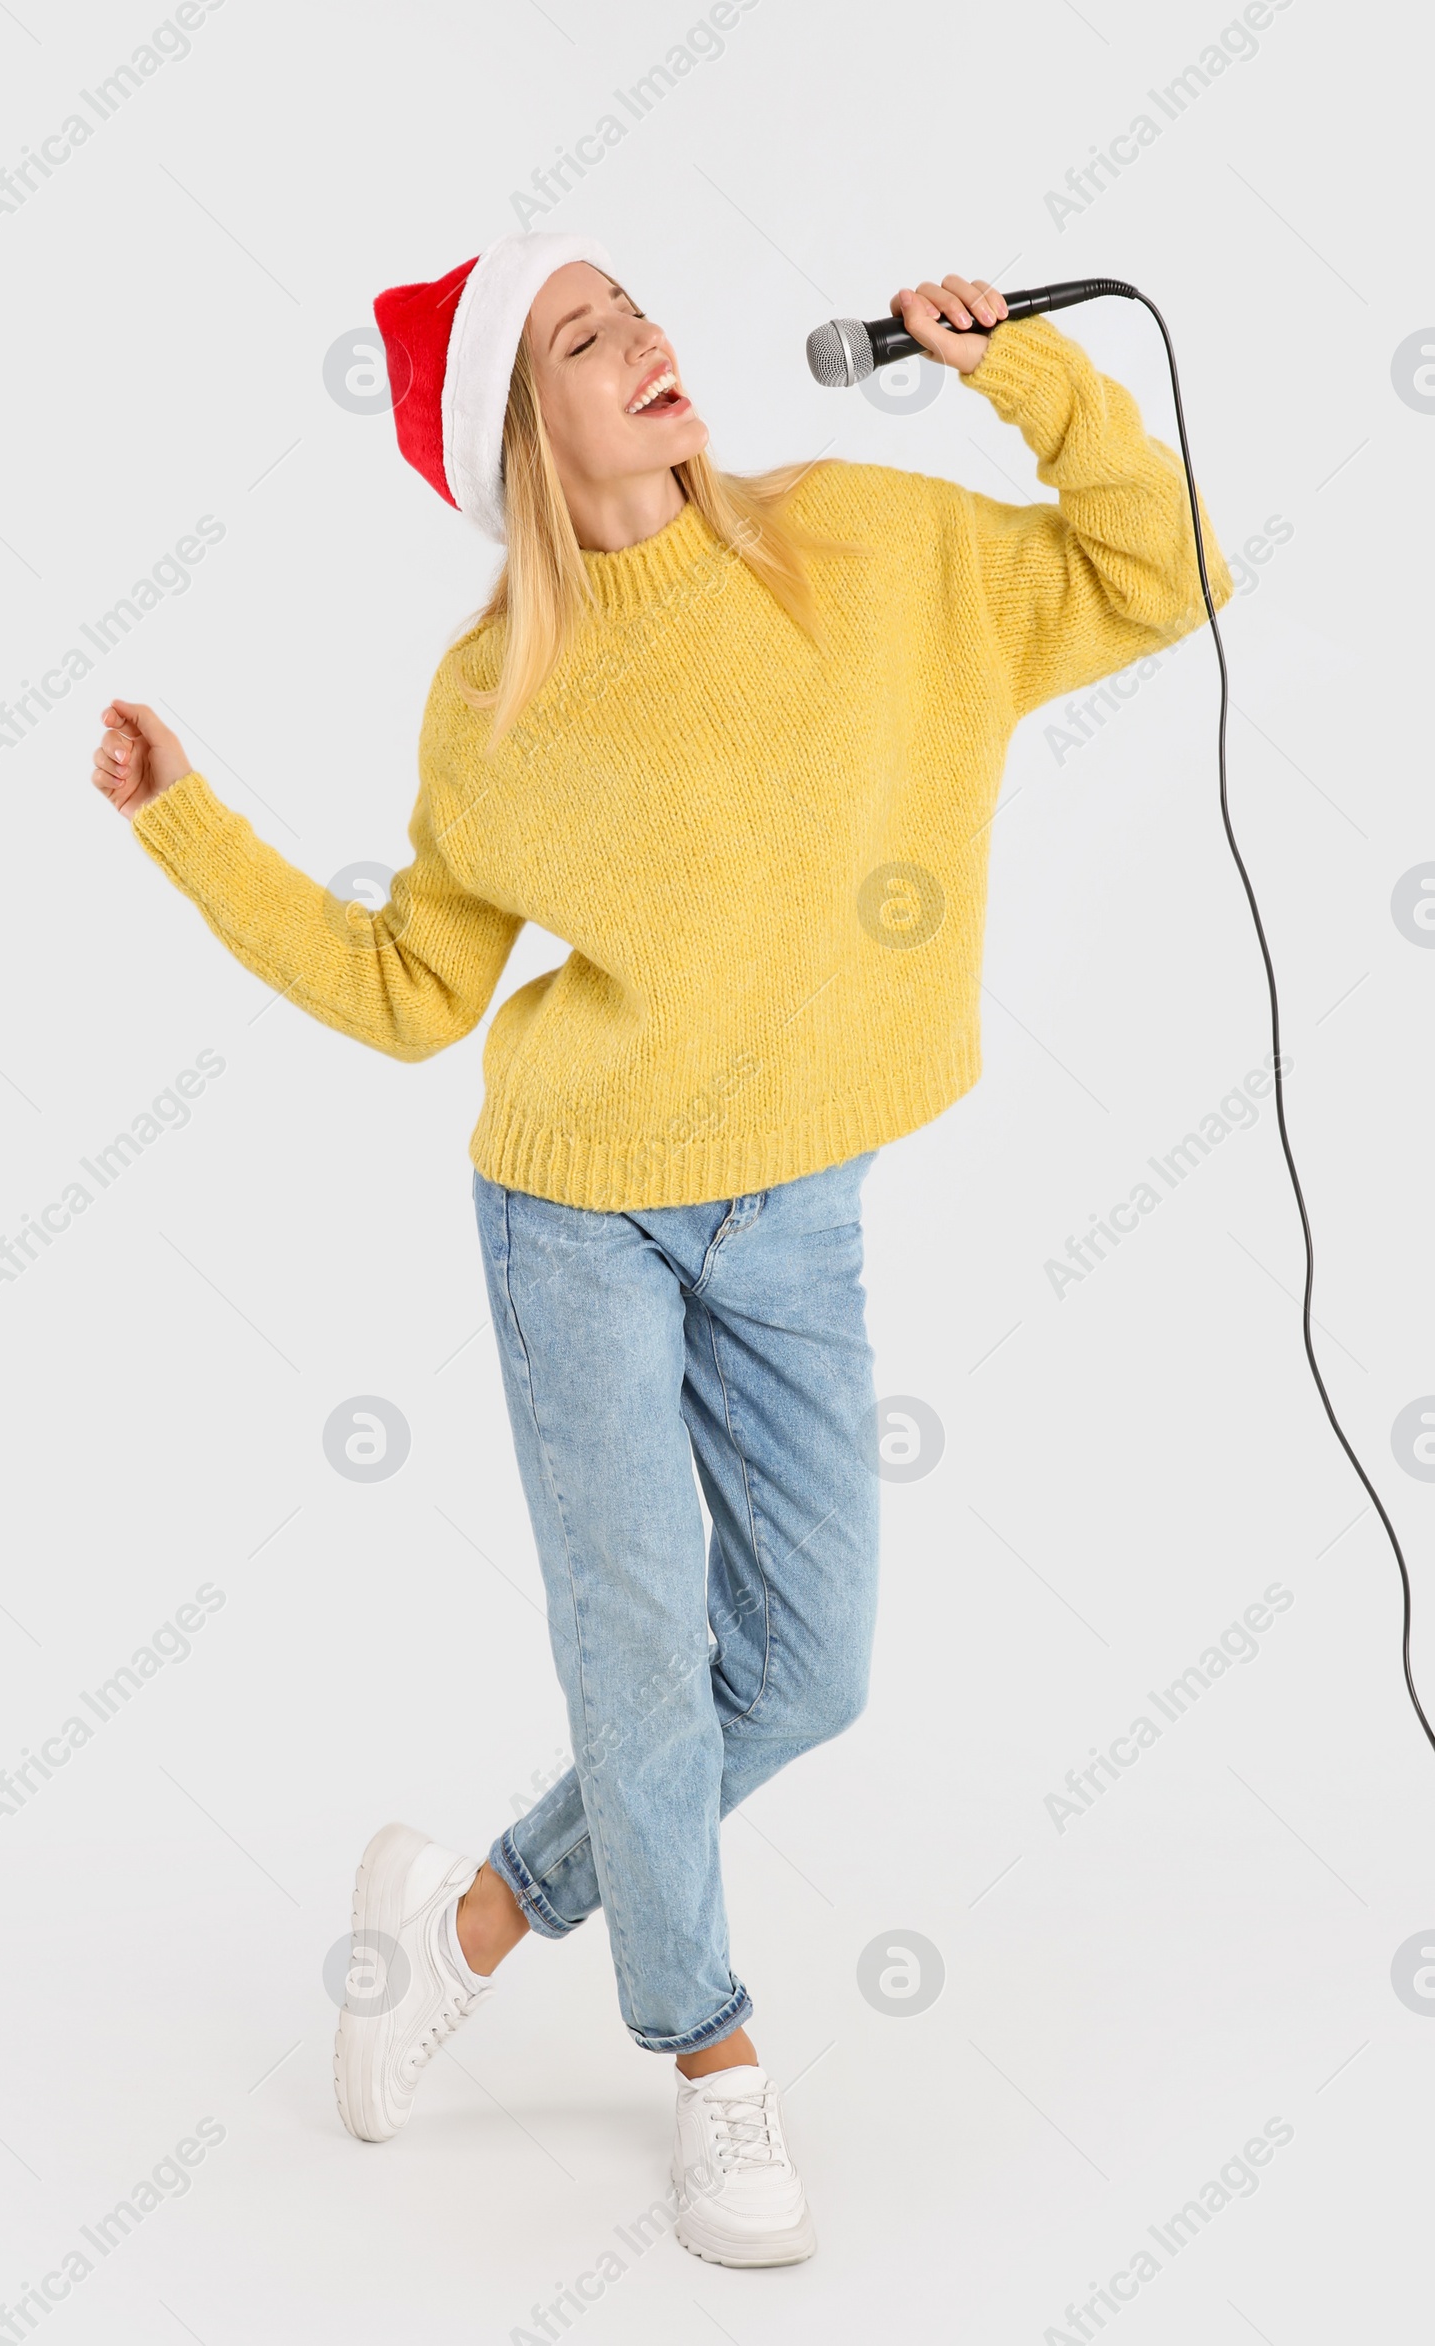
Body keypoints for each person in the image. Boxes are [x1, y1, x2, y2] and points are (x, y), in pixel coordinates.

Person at [88, 230, 1231, 2268]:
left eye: (636, 308)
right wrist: (190, 824)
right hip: (574, 1213)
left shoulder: (869, 550)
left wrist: (1026, 379)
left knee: (805, 1668)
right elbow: (412, 990)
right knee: (637, 1659)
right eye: (583, 334)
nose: (645, 342)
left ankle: (467, 1917)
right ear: (513, 432)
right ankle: (709, 2061)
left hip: (798, 1212)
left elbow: (1163, 578)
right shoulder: (491, 700)